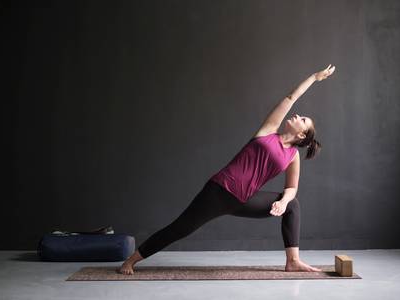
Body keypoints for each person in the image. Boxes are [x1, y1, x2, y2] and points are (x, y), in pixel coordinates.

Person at [119, 64, 336, 275]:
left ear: (301, 135)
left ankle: (293, 261)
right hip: (219, 192)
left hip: (244, 200)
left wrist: (283, 201)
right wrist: (314, 78)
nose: (297, 116)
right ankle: (131, 260)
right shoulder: (269, 131)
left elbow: (292, 187)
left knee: (293, 205)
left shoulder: (293, 156)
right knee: (180, 229)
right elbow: (290, 98)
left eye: (303, 120)